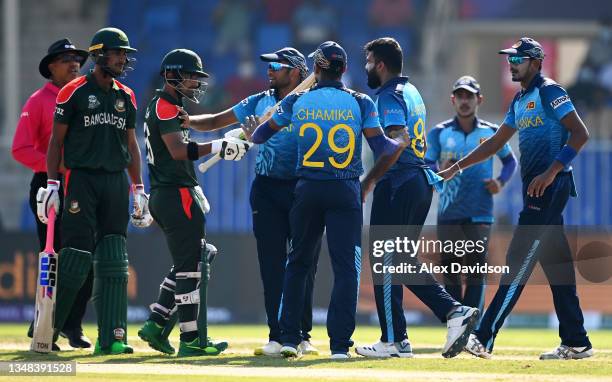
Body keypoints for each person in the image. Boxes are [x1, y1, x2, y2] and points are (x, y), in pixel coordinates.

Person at [244, 40, 408, 359]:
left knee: (298, 263)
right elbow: (383, 148)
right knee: (347, 269)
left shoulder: (296, 102)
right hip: (345, 190)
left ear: (316, 68)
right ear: (344, 69)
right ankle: (339, 346)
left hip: (306, 190)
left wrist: (257, 128)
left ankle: (290, 338)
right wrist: (399, 142)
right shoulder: (361, 102)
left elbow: (261, 136)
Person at [439, 37, 593, 360]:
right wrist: (456, 166)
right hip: (537, 189)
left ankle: (483, 336)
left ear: (536, 62)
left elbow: (581, 134)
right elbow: (495, 143)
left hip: (550, 187)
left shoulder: (550, 91)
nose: (511, 64)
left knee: (517, 262)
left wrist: (551, 172)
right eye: (510, 59)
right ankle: (576, 340)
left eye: (518, 59)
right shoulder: (520, 101)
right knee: (557, 266)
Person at [183, 47, 320, 356]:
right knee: (271, 264)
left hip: (303, 187)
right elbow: (217, 120)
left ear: (297, 72)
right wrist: (187, 120)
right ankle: (276, 334)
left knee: (303, 264)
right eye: (268, 66)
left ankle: (301, 334)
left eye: (277, 66)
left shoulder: (310, 103)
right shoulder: (259, 101)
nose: (269, 70)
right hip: (267, 190)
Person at [355, 37, 479, 359]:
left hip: (399, 182)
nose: (366, 67)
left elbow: (398, 141)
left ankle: (404, 334)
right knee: (398, 260)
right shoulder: (411, 92)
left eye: (368, 62)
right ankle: (406, 336)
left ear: (380, 65)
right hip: (419, 183)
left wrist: (369, 181)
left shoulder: (387, 96)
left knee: (385, 259)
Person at [37, 27, 150, 355]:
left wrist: (138, 188)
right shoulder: (72, 92)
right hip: (81, 181)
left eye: (126, 54)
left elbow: (131, 143)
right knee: (75, 256)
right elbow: (56, 141)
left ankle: (112, 337)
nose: (123, 59)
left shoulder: (125, 95)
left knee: (115, 258)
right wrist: (53, 184)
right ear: (100, 54)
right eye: (118, 53)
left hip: (115, 181)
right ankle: (50, 331)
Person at [136, 48, 250, 357]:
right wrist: (219, 145)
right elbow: (177, 151)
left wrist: (219, 143)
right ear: (172, 76)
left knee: (197, 258)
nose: (194, 83)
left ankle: (157, 322)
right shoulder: (164, 106)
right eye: (189, 77)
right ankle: (191, 340)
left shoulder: (171, 106)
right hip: (175, 193)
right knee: (190, 268)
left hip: (173, 192)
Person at [13, 38, 92, 351]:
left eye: (76, 59)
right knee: (55, 256)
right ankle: (46, 324)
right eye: (65, 59)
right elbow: (20, 149)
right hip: (50, 186)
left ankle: (72, 325)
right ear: (51, 68)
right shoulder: (37, 101)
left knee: (86, 258)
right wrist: (54, 166)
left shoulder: (87, 98)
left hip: (84, 187)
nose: (74, 64)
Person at [425, 76, 517, 313]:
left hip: (480, 212)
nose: (465, 101)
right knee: (452, 272)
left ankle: (473, 328)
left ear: (479, 99)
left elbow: (509, 162)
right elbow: (426, 166)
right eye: (460, 96)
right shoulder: (439, 133)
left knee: (477, 270)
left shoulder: (491, 132)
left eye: (470, 96)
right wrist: (440, 171)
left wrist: (500, 182)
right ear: (453, 100)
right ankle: (456, 323)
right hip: (449, 211)